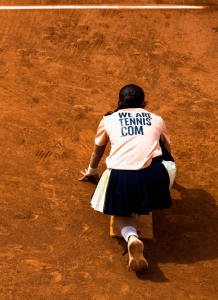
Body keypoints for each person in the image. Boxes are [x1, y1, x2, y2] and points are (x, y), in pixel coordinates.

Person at [79, 84, 176, 272]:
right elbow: (167, 150)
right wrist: (168, 180)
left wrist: (92, 171)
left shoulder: (108, 120)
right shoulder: (157, 119)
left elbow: (97, 150)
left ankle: (131, 237)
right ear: (144, 104)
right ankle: (151, 195)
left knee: (121, 215)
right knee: (162, 149)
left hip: (121, 179)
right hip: (155, 179)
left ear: (118, 103)